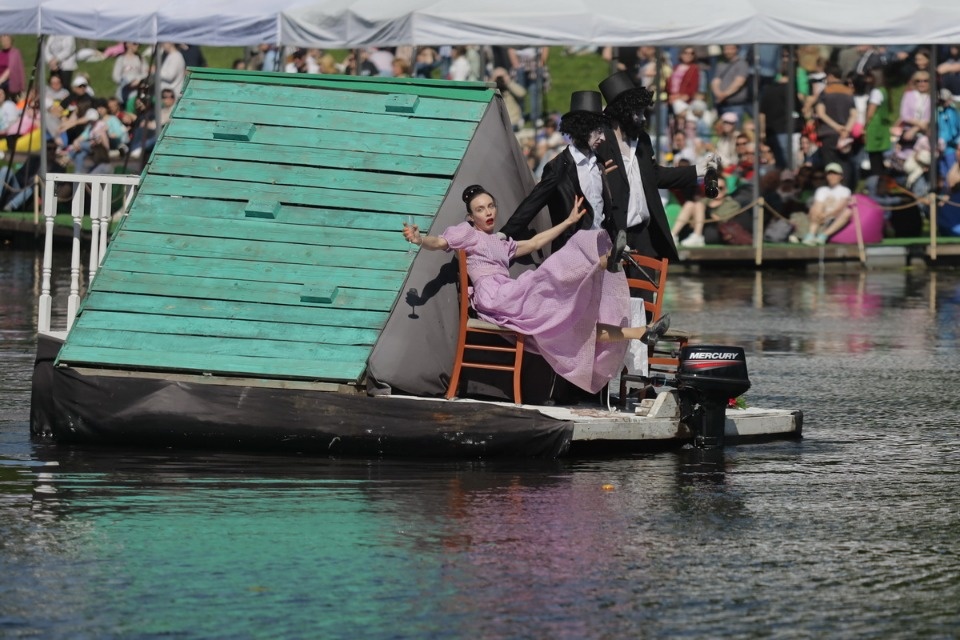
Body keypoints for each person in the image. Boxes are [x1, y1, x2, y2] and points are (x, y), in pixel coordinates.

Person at [401, 184, 668, 394]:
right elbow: (440, 242)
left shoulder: (501, 242)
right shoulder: (467, 233)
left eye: (491, 206)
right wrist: (420, 238)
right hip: (494, 295)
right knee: (543, 278)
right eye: (481, 209)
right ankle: (601, 261)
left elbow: (536, 241)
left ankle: (641, 332)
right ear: (471, 216)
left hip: (510, 292)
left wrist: (567, 222)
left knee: (574, 321)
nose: (488, 212)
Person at [596, 71, 706, 264]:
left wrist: (697, 171)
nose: (643, 118)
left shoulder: (642, 140)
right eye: (637, 112)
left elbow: (655, 176)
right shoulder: (601, 142)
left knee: (645, 293)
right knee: (615, 293)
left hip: (643, 233)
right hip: (613, 233)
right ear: (623, 111)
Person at [501, 91, 622, 263]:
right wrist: (504, 234)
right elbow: (533, 202)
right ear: (582, 128)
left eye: (603, 131)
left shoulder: (599, 164)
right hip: (572, 253)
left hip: (602, 252)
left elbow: (604, 213)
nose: (602, 137)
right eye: (597, 131)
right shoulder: (559, 167)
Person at [802, 162, 853, 245]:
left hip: (835, 218)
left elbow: (839, 208)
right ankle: (811, 234)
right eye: (829, 174)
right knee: (814, 208)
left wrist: (825, 215)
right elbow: (818, 205)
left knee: (848, 212)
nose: (832, 176)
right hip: (821, 218)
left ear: (841, 176)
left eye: (835, 174)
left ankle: (823, 235)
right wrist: (821, 215)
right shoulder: (821, 190)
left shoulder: (845, 191)